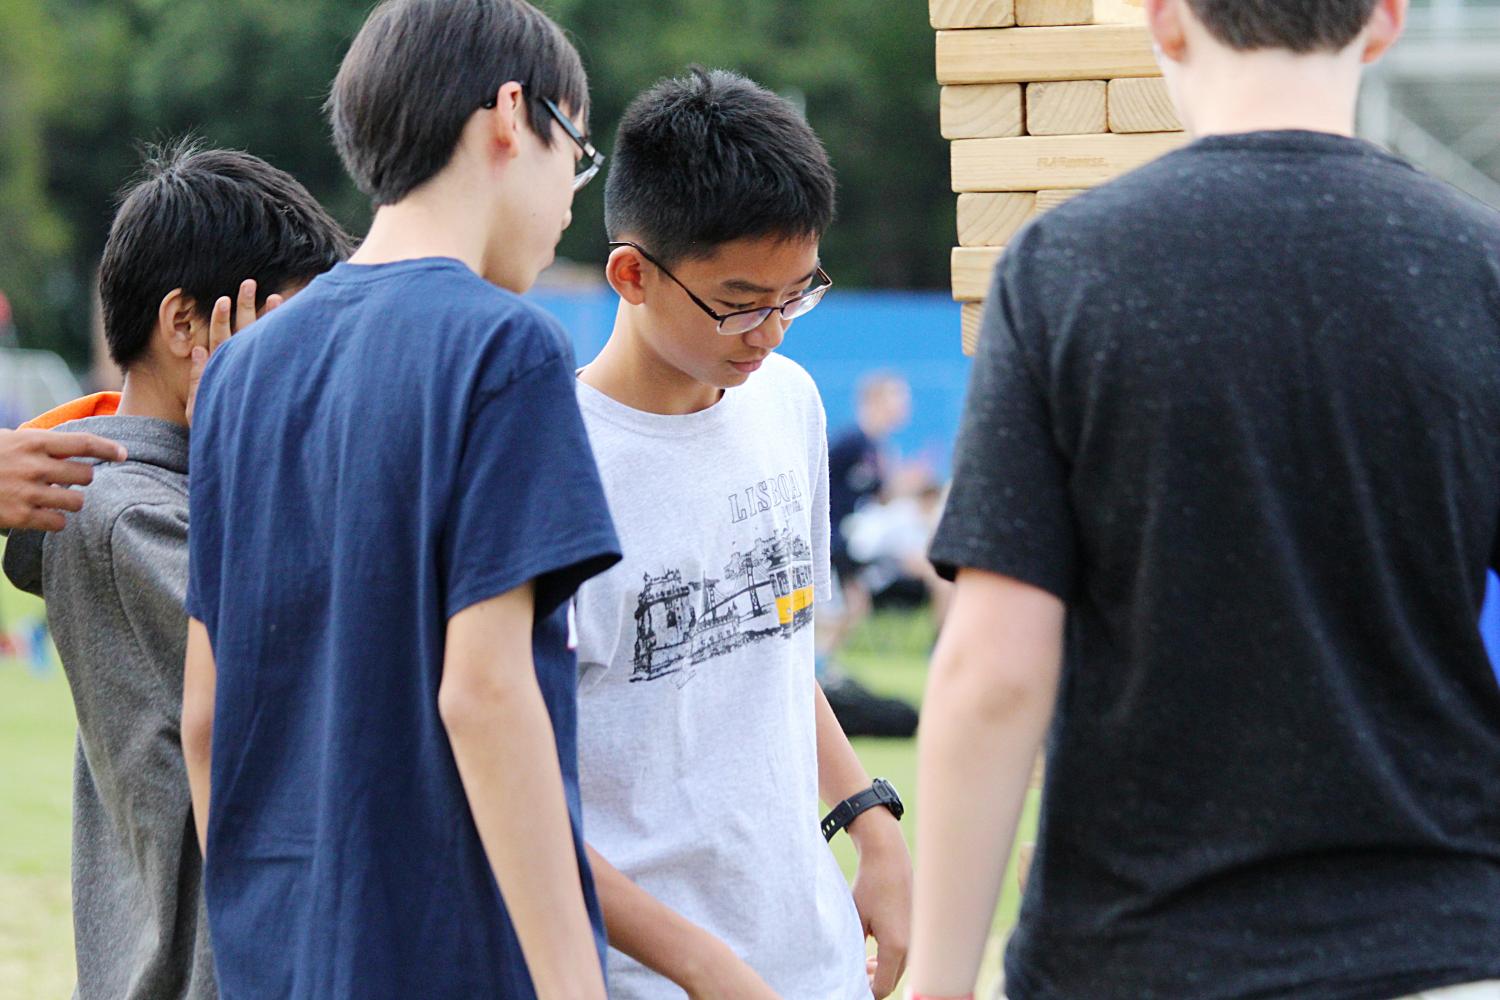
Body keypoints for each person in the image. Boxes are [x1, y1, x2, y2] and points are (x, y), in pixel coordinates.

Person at [909, 1, 1500, 999]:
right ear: (1386, 20)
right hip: (1441, 946)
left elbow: (995, 672)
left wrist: (938, 981)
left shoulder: (1064, 268)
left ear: (1168, 22)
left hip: (1137, 955)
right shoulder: (1480, 272)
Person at [179, 2, 621, 997]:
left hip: (284, 961)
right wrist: (571, 983)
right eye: (578, 154)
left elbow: (205, 716)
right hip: (452, 953)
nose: (569, 203)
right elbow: (485, 689)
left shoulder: (243, 373)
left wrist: (262, 937)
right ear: (513, 112)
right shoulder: (507, 347)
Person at [571, 68, 913, 999]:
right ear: (632, 274)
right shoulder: (550, 469)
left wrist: (870, 819)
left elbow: (776, 641)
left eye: (795, 295)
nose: (768, 333)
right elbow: (511, 798)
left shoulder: (787, 404)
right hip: (639, 978)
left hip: (814, 958)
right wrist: (704, 969)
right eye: (738, 301)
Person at [1, 141, 350, 1000]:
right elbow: (308, 673)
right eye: (290, 331)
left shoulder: (190, 488)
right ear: (187, 326)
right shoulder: (123, 514)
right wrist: (245, 440)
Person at [818, 373, 921, 737]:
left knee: (855, 608)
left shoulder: (878, 449)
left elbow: (881, 496)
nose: (902, 407)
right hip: (834, 540)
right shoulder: (850, 441)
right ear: (875, 402)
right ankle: (818, 669)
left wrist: (905, 483)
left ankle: (822, 667)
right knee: (838, 611)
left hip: (850, 542)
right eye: (895, 399)